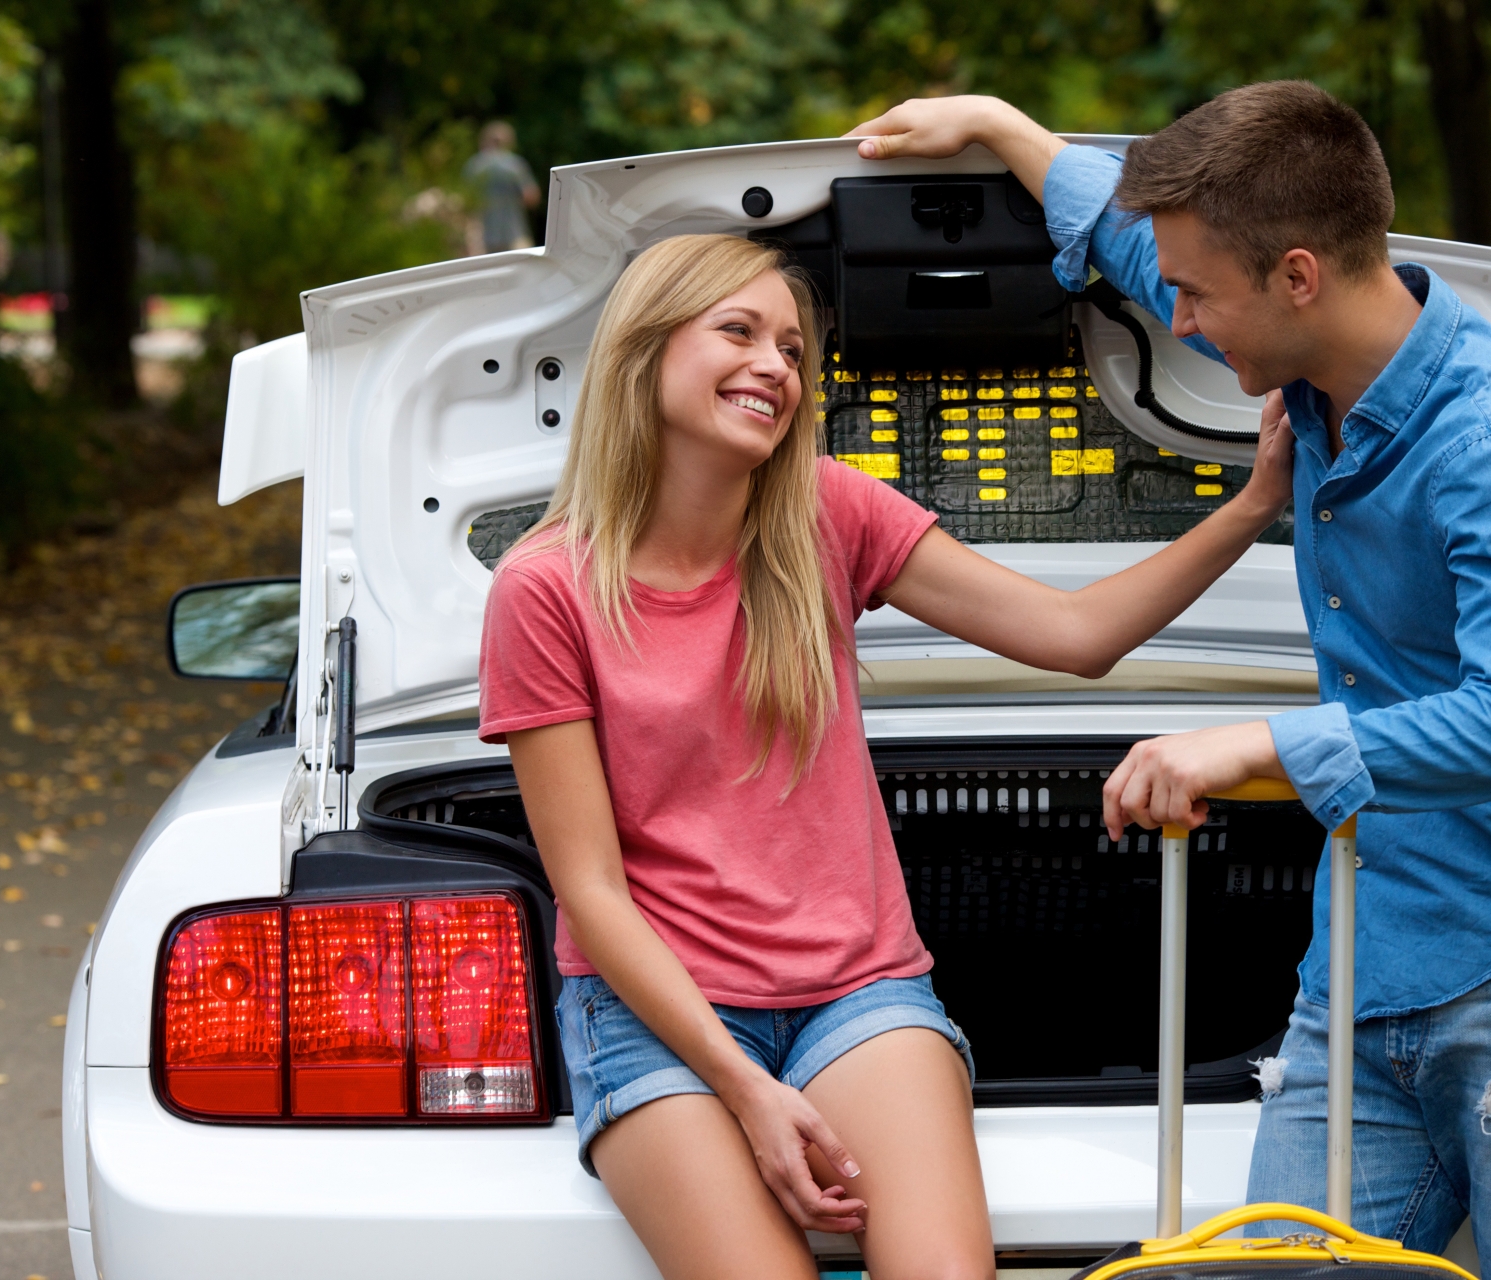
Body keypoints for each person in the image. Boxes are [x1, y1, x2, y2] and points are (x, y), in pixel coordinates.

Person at [849, 85, 1491, 1280]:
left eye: (1196, 294)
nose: (1174, 317)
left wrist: (1257, 746)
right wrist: (1001, 127)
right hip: (1363, 971)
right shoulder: (1295, 338)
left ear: (1298, 276)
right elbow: (1134, 239)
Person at [478, 233, 1295, 1280]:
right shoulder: (545, 590)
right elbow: (588, 891)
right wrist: (748, 1091)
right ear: (643, 350)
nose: (775, 365)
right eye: (739, 331)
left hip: (854, 989)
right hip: (657, 1011)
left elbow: (1076, 635)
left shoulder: (826, 511)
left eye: (791, 348)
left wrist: (1254, 505)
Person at [463, 121, 540, 253]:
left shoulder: (474, 166)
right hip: (514, 233)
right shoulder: (514, 164)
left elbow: (464, 204)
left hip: (481, 238)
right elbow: (531, 197)